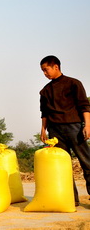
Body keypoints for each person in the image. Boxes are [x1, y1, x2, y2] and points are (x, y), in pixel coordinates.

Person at [39, 55, 90, 205]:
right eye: (42, 71)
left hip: (74, 127)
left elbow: (84, 106)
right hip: (55, 131)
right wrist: (43, 130)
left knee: (86, 162)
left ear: (56, 67)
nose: (44, 73)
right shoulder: (44, 91)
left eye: (46, 70)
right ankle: (71, 199)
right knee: (63, 167)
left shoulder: (73, 83)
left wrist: (87, 125)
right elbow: (44, 113)